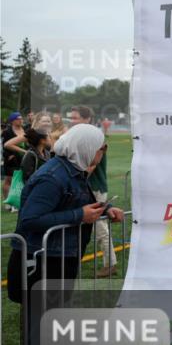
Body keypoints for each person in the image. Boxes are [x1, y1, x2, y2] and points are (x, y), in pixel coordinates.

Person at [8, 123, 124, 345]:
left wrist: (103, 209)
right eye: (99, 149)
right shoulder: (53, 175)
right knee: (40, 334)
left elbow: (76, 204)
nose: (100, 156)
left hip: (60, 259)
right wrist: (79, 215)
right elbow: (29, 221)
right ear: (85, 147)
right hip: (41, 263)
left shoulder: (71, 171)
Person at [68, 106, 116, 277]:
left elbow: (92, 165)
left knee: (99, 226)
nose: (72, 121)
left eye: (75, 118)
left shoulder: (95, 137)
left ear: (87, 119)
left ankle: (110, 264)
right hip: (86, 187)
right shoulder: (82, 135)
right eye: (71, 118)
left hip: (94, 187)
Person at [3, 112, 26, 205]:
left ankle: (18, 200)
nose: (21, 120)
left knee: (21, 179)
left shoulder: (26, 129)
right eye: (18, 119)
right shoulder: (7, 132)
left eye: (21, 118)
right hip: (11, 159)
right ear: (12, 121)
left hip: (24, 158)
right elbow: (4, 145)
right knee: (9, 180)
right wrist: (9, 156)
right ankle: (8, 201)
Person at [20, 118, 53, 183]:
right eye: (48, 136)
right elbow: (27, 178)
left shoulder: (47, 153)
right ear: (42, 141)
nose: (50, 138)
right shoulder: (30, 155)